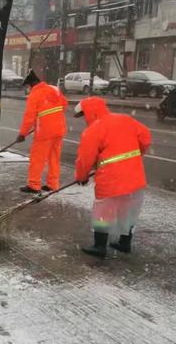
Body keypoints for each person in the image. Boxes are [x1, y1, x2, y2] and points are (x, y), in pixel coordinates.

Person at [74, 97, 152, 257]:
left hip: (110, 180)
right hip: (135, 177)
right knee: (128, 210)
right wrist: (135, 156)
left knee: (103, 212)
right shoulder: (125, 119)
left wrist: (82, 177)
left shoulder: (93, 130)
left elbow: (85, 158)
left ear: (88, 112)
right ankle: (124, 243)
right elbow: (145, 138)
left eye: (83, 115)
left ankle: (100, 246)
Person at [17, 69, 67, 193]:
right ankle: (53, 184)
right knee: (54, 158)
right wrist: (49, 117)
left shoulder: (35, 94)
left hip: (44, 132)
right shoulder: (54, 89)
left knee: (37, 158)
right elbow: (64, 104)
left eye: (29, 86)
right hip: (59, 129)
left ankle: (33, 185)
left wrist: (22, 134)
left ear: (32, 83)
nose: (29, 89)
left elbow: (29, 117)